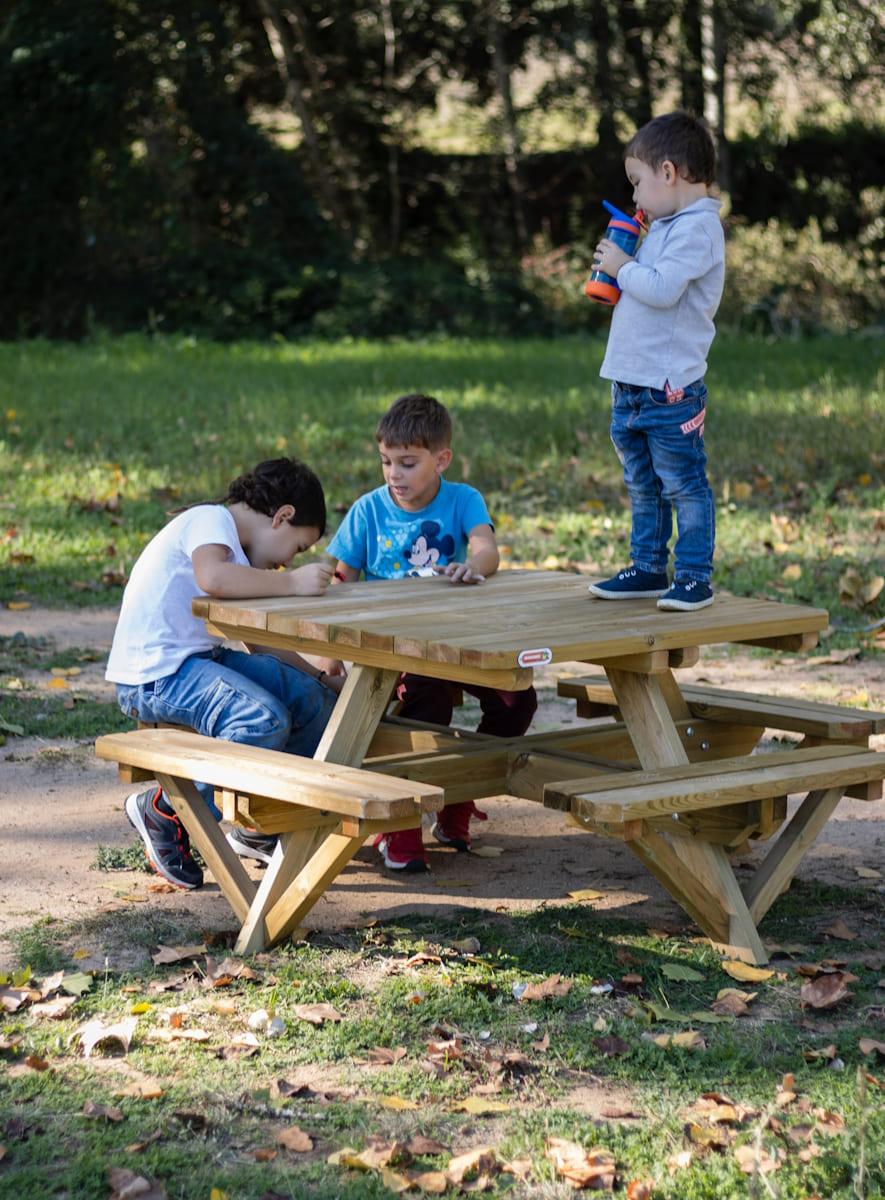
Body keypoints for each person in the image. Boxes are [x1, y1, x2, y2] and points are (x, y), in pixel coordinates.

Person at [319, 392, 537, 872]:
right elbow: (341, 580)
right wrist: (330, 651)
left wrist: (472, 566)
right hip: (397, 650)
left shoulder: (463, 499)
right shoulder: (368, 511)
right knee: (427, 703)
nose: (394, 474)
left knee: (516, 699)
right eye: (386, 462)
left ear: (442, 460)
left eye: (407, 463)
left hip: (459, 641)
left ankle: (459, 796)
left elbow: (487, 550)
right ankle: (399, 828)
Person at [105, 458, 340, 889]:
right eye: (297, 549)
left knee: (312, 703)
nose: (288, 564)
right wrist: (292, 585)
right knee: (260, 719)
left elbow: (257, 639)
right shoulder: (210, 520)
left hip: (195, 664)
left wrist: (321, 675)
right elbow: (211, 577)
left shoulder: (238, 560)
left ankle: (259, 824)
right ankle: (166, 812)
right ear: (282, 516)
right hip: (156, 675)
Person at [588, 110, 724, 612]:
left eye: (637, 182)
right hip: (631, 385)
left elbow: (664, 290)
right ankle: (647, 567)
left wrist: (623, 267)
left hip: (668, 390)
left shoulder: (699, 230)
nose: (635, 197)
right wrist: (625, 260)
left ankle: (693, 576)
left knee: (683, 485)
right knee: (642, 484)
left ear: (668, 173)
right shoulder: (667, 225)